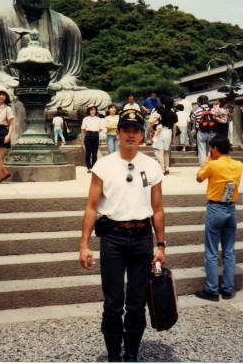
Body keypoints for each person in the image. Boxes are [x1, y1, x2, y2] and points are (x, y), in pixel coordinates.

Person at [80, 109, 165, 362]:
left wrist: (161, 244)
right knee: (113, 302)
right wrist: (84, 244)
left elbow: (158, 209)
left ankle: (131, 353)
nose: (130, 135)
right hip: (113, 238)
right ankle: (113, 354)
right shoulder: (103, 165)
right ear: (117, 133)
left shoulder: (152, 166)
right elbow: (92, 206)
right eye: (126, 130)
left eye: (135, 130)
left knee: (137, 303)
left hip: (141, 238)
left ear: (142, 135)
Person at [195, 135, 243, 302]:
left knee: (212, 252)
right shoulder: (239, 165)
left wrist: (207, 161)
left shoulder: (213, 165)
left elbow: (199, 178)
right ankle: (228, 289)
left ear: (214, 149)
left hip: (216, 208)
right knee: (229, 251)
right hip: (231, 208)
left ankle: (212, 289)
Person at [153, 96, 178, 175]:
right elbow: (174, 127)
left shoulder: (161, 111)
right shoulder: (174, 114)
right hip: (169, 132)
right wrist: (174, 138)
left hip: (161, 131)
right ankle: (167, 168)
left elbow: (153, 118)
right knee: (166, 151)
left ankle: (162, 169)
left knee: (160, 151)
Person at [191, 95, 216, 166]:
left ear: (199, 102)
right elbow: (215, 117)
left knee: (202, 151)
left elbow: (192, 119)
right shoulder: (212, 110)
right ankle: (210, 166)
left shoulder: (197, 110)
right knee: (209, 151)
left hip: (201, 132)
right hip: (211, 132)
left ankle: (203, 167)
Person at [81, 106, 102, 173]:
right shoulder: (85, 119)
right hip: (88, 135)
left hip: (95, 135)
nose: (93, 111)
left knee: (95, 153)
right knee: (88, 152)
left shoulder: (98, 119)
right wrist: (83, 138)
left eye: (94, 110)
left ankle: (93, 167)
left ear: (96, 111)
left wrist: (96, 132)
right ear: (89, 111)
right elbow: (83, 129)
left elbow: (101, 128)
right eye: (91, 110)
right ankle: (89, 167)